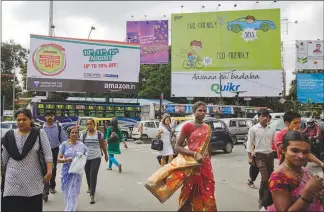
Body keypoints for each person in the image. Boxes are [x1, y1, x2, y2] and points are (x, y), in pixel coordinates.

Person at [144, 101, 217, 211]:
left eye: (204, 111)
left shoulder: (207, 127)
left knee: (209, 193)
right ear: (194, 112)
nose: (202, 113)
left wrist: (208, 161)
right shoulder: (187, 126)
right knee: (189, 194)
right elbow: (177, 147)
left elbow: (208, 145)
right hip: (191, 165)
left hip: (205, 166)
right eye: (199, 110)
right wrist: (194, 154)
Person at [1, 108, 53, 212]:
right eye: (18, 120)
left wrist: (49, 171)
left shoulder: (39, 133)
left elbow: (48, 154)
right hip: (12, 180)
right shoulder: (9, 135)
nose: (21, 122)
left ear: (30, 120)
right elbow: (4, 159)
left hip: (33, 180)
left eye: (24, 119)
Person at [262, 131, 324, 211]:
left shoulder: (304, 170)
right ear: (282, 149)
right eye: (295, 150)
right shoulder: (278, 178)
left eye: (305, 152)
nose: (301, 156)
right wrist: (308, 191)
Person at [246, 110, 275, 209]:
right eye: (263, 116)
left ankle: (270, 198)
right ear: (259, 117)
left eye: (267, 116)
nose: (265, 118)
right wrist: (249, 157)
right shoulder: (253, 129)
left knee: (271, 178)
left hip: (270, 156)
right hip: (259, 156)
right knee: (265, 178)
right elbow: (249, 143)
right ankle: (262, 199)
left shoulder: (271, 129)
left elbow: (275, 142)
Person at [57, 127, 88, 212]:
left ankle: (71, 209)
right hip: (66, 172)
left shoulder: (81, 145)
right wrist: (66, 160)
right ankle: (69, 205)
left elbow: (86, 153)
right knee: (66, 191)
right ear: (69, 134)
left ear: (78, 134)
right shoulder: (64, 144)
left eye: (75, 133)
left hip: (77, 173)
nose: (74, 134)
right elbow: (58, 159)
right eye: (72, 133)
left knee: (74, 191)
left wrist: (82, 158)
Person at [80, 118, 108, 204]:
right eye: (87, 124)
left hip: (96, 157)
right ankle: (89, 187)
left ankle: (92, 194)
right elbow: (80, 146)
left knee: (93, 174)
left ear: (94, 124)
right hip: (86, 157)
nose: (89, 125)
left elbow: (102, 145)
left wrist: (106, 155)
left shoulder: (99, 134)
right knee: (87, 173)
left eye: (90, 124)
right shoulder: (83, 134)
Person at [42, 110, 68, 201]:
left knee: (53, 169)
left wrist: (66, 153)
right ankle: (45, 192)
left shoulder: (58, 127)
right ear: (45, 117)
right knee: (44, 169)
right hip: (43, 151)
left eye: (51, 116)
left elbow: (64, 141)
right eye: (47, 116)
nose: (49, 117)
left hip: (54, 150)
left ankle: (52, 185)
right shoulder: (41, 128)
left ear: (54, 117)